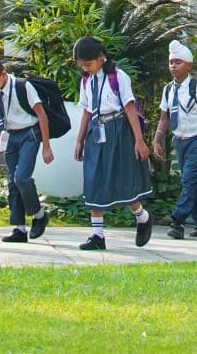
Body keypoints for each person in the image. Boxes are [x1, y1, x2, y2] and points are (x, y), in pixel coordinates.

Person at [70, 36, 153, 250]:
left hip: (118, 130)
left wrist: (139, 141)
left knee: (122, 179)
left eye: (88, 64)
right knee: (93, 178)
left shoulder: (118, 77)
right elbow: (87, 111)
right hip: (95, 132)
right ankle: (97, 235)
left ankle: (142, 217)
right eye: (82, 66)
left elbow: (129, 107)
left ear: (100, 57)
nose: (85, 69)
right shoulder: (86, 81)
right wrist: (79, 141)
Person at [150, 40, 197, 239]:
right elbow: (164, 117)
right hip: (180, 140)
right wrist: (157, 139)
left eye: (178, 62)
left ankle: (177, 220)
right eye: (171, 62)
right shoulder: (168, 90)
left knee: (189, 180)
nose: (174, 66)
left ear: (189, 65)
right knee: (190, 183)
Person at [0, 56, 53, 243]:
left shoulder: (22, 86)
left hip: (30, 134)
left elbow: (42, 116)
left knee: (22, 178)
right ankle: (19, 228)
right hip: (11, 136)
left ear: (3, 74)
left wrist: (46, 146)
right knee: (12, 182)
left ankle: (39, 215)